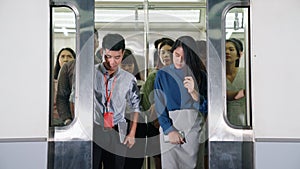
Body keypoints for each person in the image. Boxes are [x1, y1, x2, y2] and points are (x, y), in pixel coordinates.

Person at [154, 35, 207, 169]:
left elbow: (206, 108)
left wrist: (194, 92)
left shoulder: (201, 76)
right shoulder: (162, 75)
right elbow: (160, 106)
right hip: (171, 127)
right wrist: (169, 130)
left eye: (184, 57)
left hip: (194, 128)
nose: (179, 59)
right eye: (176, 55)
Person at [93, 33, 141, 169]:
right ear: (102, 52)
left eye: (117, 57)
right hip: (95, 130)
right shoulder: (90, 74)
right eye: (108, 56)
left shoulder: (129, 79)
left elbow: (135, 107)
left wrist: (132, 134)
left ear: (123, 53)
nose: (112, 62)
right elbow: (75, 99)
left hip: (118, 131)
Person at [141, 38, 174, 169]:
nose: (166, 55)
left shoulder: (181, 74)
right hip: (157, 126)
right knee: (161, 161)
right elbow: (147, 104)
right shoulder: (154, 76)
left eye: (169, 52)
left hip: (177, 123)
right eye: (162, 52)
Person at [57, 28, 100, 125]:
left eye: (92, 41)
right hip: (74, 121)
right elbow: (62, 97)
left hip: (98, 123)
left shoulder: (104, 67)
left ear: (97, 43)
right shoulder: (68, 67)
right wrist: (68, 120)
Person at [121, 48, 146, 169]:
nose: (126, 68)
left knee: (135, 162)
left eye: (129, 65)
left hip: (139, 126)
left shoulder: (141, 84)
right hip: (120, 123)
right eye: (124, 64)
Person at [52, 47, 76, 126]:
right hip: (56, 120)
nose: (66, 59)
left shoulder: (74, 78)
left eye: (69, 56)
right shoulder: (51, 82)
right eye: (62, 56)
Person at [226, 38, 246, 126]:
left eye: (231, 49)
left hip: (244, 118)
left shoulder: (246, 74)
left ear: (239, 55)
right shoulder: (216, 76)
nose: (227, 52)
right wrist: (243, 92)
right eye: (224, 49)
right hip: (224, 120)